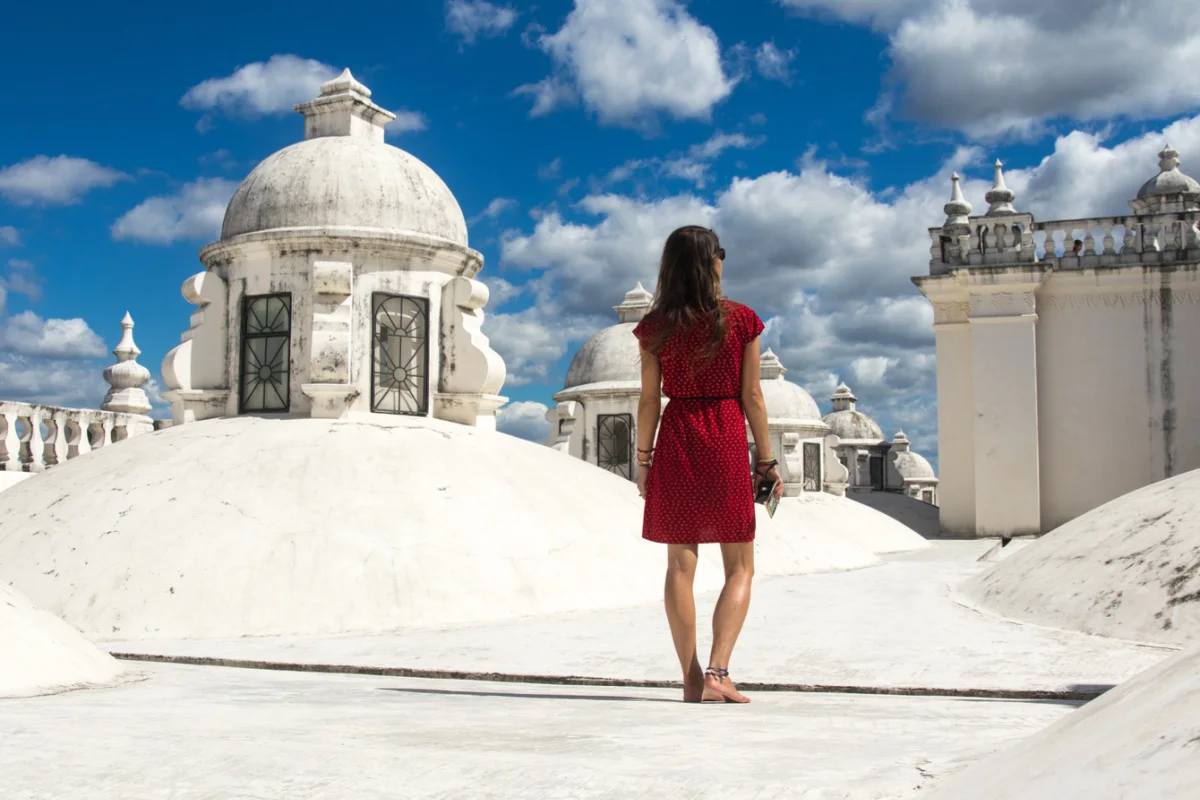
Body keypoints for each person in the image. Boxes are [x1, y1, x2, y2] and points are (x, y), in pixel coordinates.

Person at [632, 225, 784, 705]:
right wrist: (766, 459)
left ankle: (692, 676)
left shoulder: (655, 327)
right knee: (739, 565)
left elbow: (648, 400)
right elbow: (753, 397)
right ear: (714, 261)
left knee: (680, 564)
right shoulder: (742, 321)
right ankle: (720, 672)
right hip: (722, 434)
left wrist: (643, 460)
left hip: (676, 434)